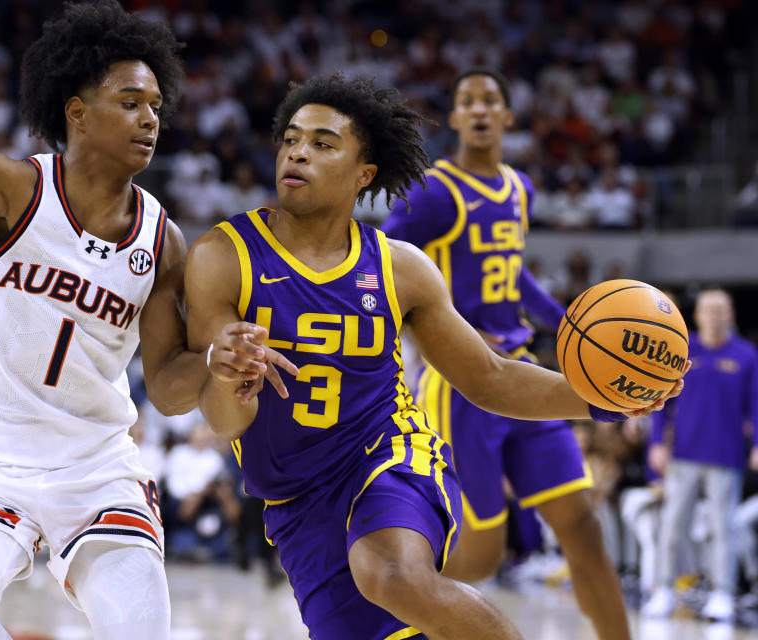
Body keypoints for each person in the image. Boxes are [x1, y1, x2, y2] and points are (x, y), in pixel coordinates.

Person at [0, 4, 291, 639]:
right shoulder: (13, 189)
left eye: (155, 104)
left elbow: (167, 387)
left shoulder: (164, 239)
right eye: (130, 101)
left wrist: (211, 363)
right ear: (77, 112)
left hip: (96, 467)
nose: (150, 118)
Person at [185, 73, 680, 640]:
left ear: (363, 174)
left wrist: (606, 400)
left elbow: (490, 377)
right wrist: (224, 379)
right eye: (291, 138)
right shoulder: (222, 256)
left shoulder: (400, 267)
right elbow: (223, 420)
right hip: (294, 497)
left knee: (392, 573)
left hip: (388, 452)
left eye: (323, 143)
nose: (298, 151)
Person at [380, 69, 632, 640]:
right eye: (467, 101)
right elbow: (385, 262)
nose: (480, 109)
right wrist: (435, 335)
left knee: (583, 525)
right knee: (481, 554)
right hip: (461, 385)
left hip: (523, 371)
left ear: (509, 117)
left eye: (491, 99)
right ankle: (381, 603)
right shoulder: (435, 192)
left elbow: (510, 272)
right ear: (455, 117)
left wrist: (573, 328)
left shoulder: (520, 189)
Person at [643, 289, 758, 622]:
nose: (714, 316)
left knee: (724, 528)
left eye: (720, 310)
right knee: (672, 524)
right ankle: (663, 589)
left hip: (725, 456)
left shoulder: (746, 354)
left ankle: (722, 592)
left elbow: (755, 402)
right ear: (698, 316)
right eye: (708, 310)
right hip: (684, 453)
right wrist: (656, 443)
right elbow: (661, 397)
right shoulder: (682, 349)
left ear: (730, 316)